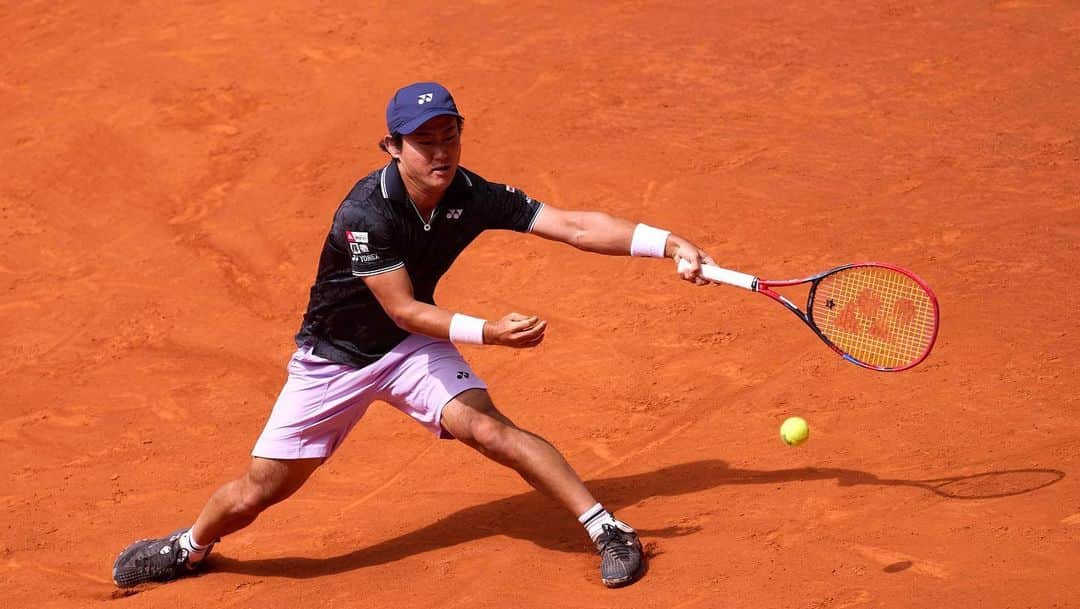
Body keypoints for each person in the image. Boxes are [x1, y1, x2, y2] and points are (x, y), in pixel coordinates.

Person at [112, 82, 715, 589]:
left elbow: (575, 225)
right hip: (335, 360)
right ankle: (188, 547)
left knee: (489, 429)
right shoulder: (365, 214)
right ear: (393, 147)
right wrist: (489, 333)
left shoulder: (471, 193)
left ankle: (608, 528)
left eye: (449, 136)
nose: (440, 151)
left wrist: (667, 242)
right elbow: (401, 308)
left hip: (409, 351)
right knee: (259, 490)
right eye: (424, 141)